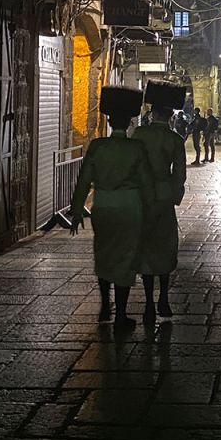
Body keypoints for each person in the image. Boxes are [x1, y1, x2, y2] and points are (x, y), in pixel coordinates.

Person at [70, 86, 152, 327]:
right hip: (129, 207)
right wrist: (151, 209)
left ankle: (105, 307)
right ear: (128, 123)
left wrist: (76, 211)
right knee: (126, 257)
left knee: (104, 254)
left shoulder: (97, 146)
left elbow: (83, 180)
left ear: (108, 121)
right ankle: (121, 315)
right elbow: (146, 182)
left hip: (103, 205)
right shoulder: (136, 148)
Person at [132, 82, 188, 321]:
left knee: (145, 247)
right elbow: (180, 173)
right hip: (164, 198)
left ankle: (148, 304)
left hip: (143, 197)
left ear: (152, 113)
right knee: (165, 247)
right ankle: (163, 299)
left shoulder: (139, 134)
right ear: (170, 116)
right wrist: (175, 195)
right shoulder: (175, 139)